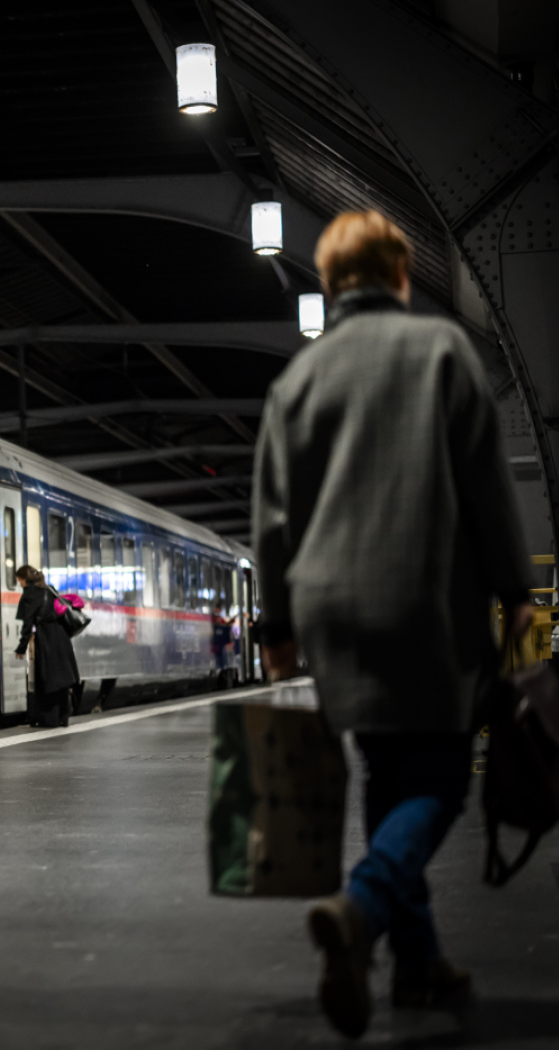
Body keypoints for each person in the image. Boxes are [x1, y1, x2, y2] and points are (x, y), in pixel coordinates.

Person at [252, 209, 532, 1039]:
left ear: (331, 284)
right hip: (427, 596)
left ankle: (418, 966)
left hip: (333, 608)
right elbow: (487, 487)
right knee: (441, 778)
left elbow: (271, 521)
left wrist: (277, 628)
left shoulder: (296, 382)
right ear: (400, 276)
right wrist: (518, 591)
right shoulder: (443, 352)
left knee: (384, 771)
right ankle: (363, 904)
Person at [12, 565, 80, 728]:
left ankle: (49, 718)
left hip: (46, 638)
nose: (19, 584)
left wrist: (21, 648)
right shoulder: (50, 589)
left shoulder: (29, 595)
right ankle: (63, 717)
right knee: (61, 679)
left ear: (23, 580)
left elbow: (27, 625)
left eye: (19, 580)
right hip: (61, 638)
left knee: (47, 679)